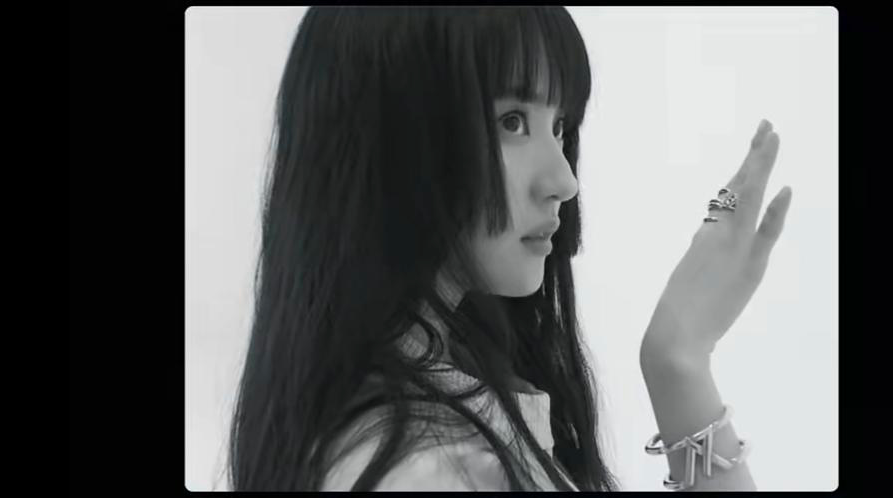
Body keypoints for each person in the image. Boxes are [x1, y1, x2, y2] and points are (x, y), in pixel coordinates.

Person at [227, 6, 792, 491]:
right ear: (392, 134)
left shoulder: (430, 413)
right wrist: (680, 365)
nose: (564, 180)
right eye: (512, 121)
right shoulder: (432, 471)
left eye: (560, 125)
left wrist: (677, 358)